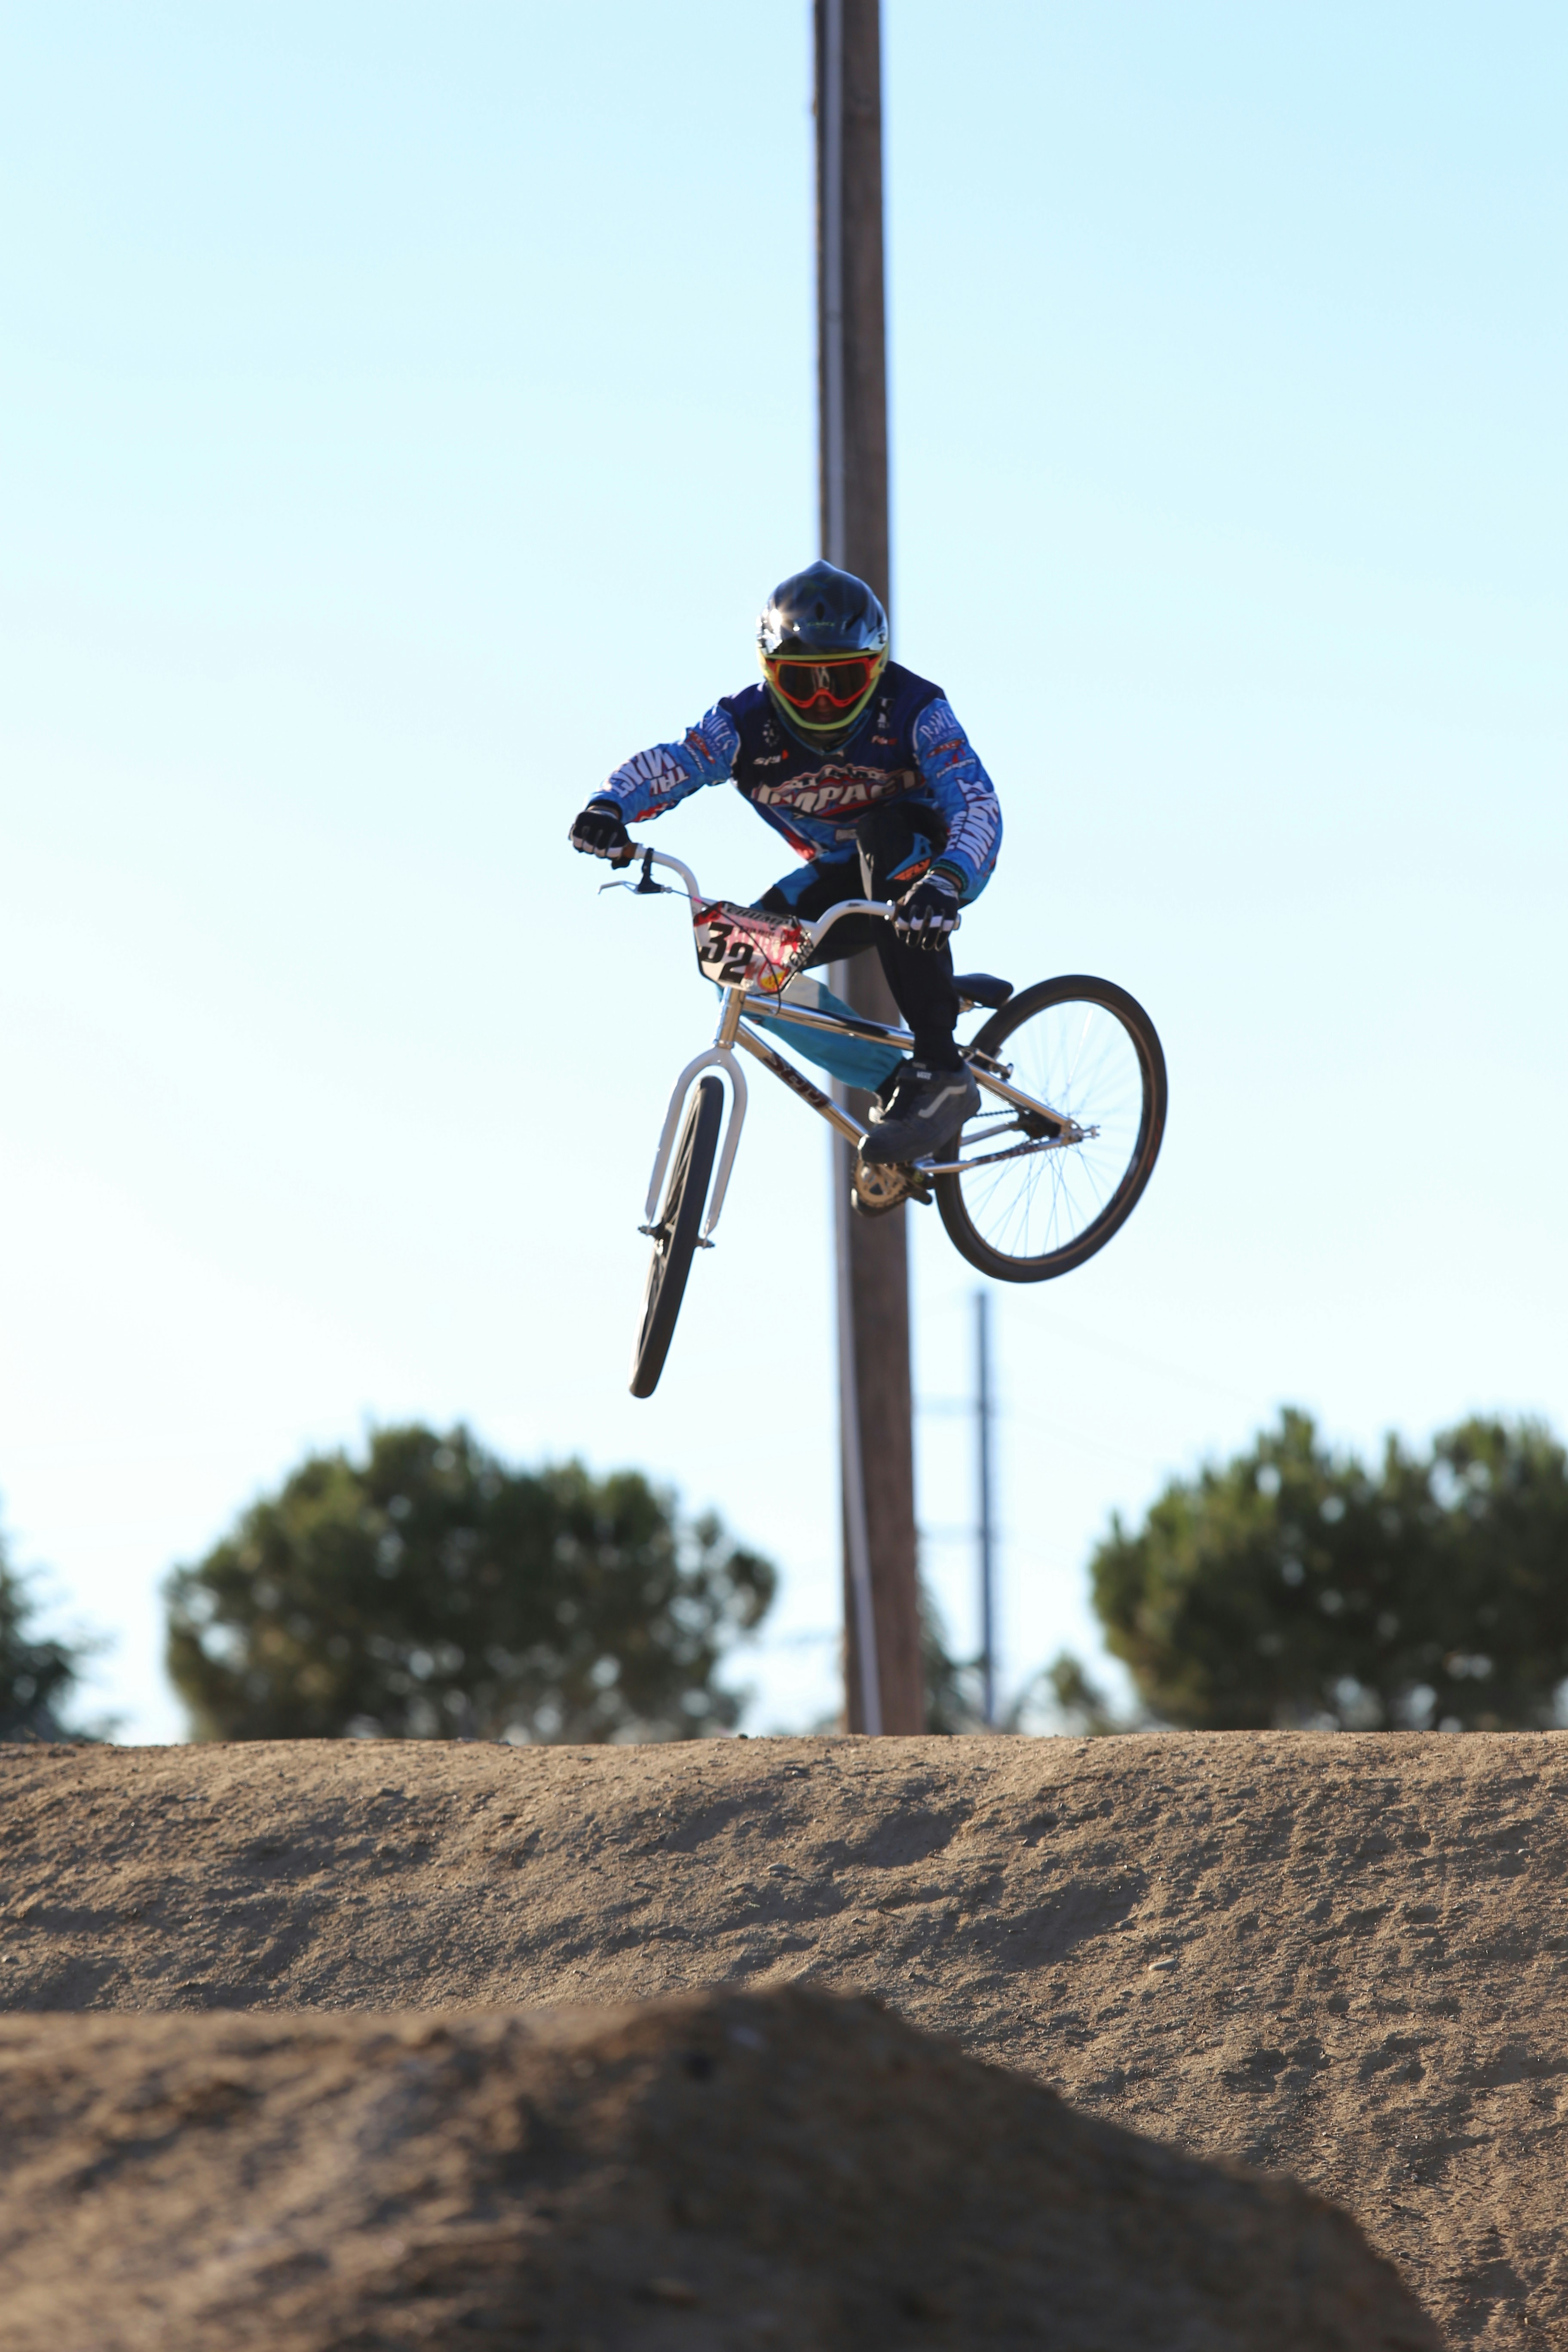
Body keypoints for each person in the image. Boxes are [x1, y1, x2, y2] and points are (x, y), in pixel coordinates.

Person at [567, 560, 1002, 1164]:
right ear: (770, 676)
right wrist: (609, 805)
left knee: (884, 830)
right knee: (740, 966)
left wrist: (949, 880)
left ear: (877, 670)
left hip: (929, 860)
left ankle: (940, 1071)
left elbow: (976, 802)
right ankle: (895, 1085)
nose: (823, 703)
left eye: (844, 681)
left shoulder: (916, 709)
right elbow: (679, 760)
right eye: (802, 684)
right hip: (844, 872)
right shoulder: (745, 724)